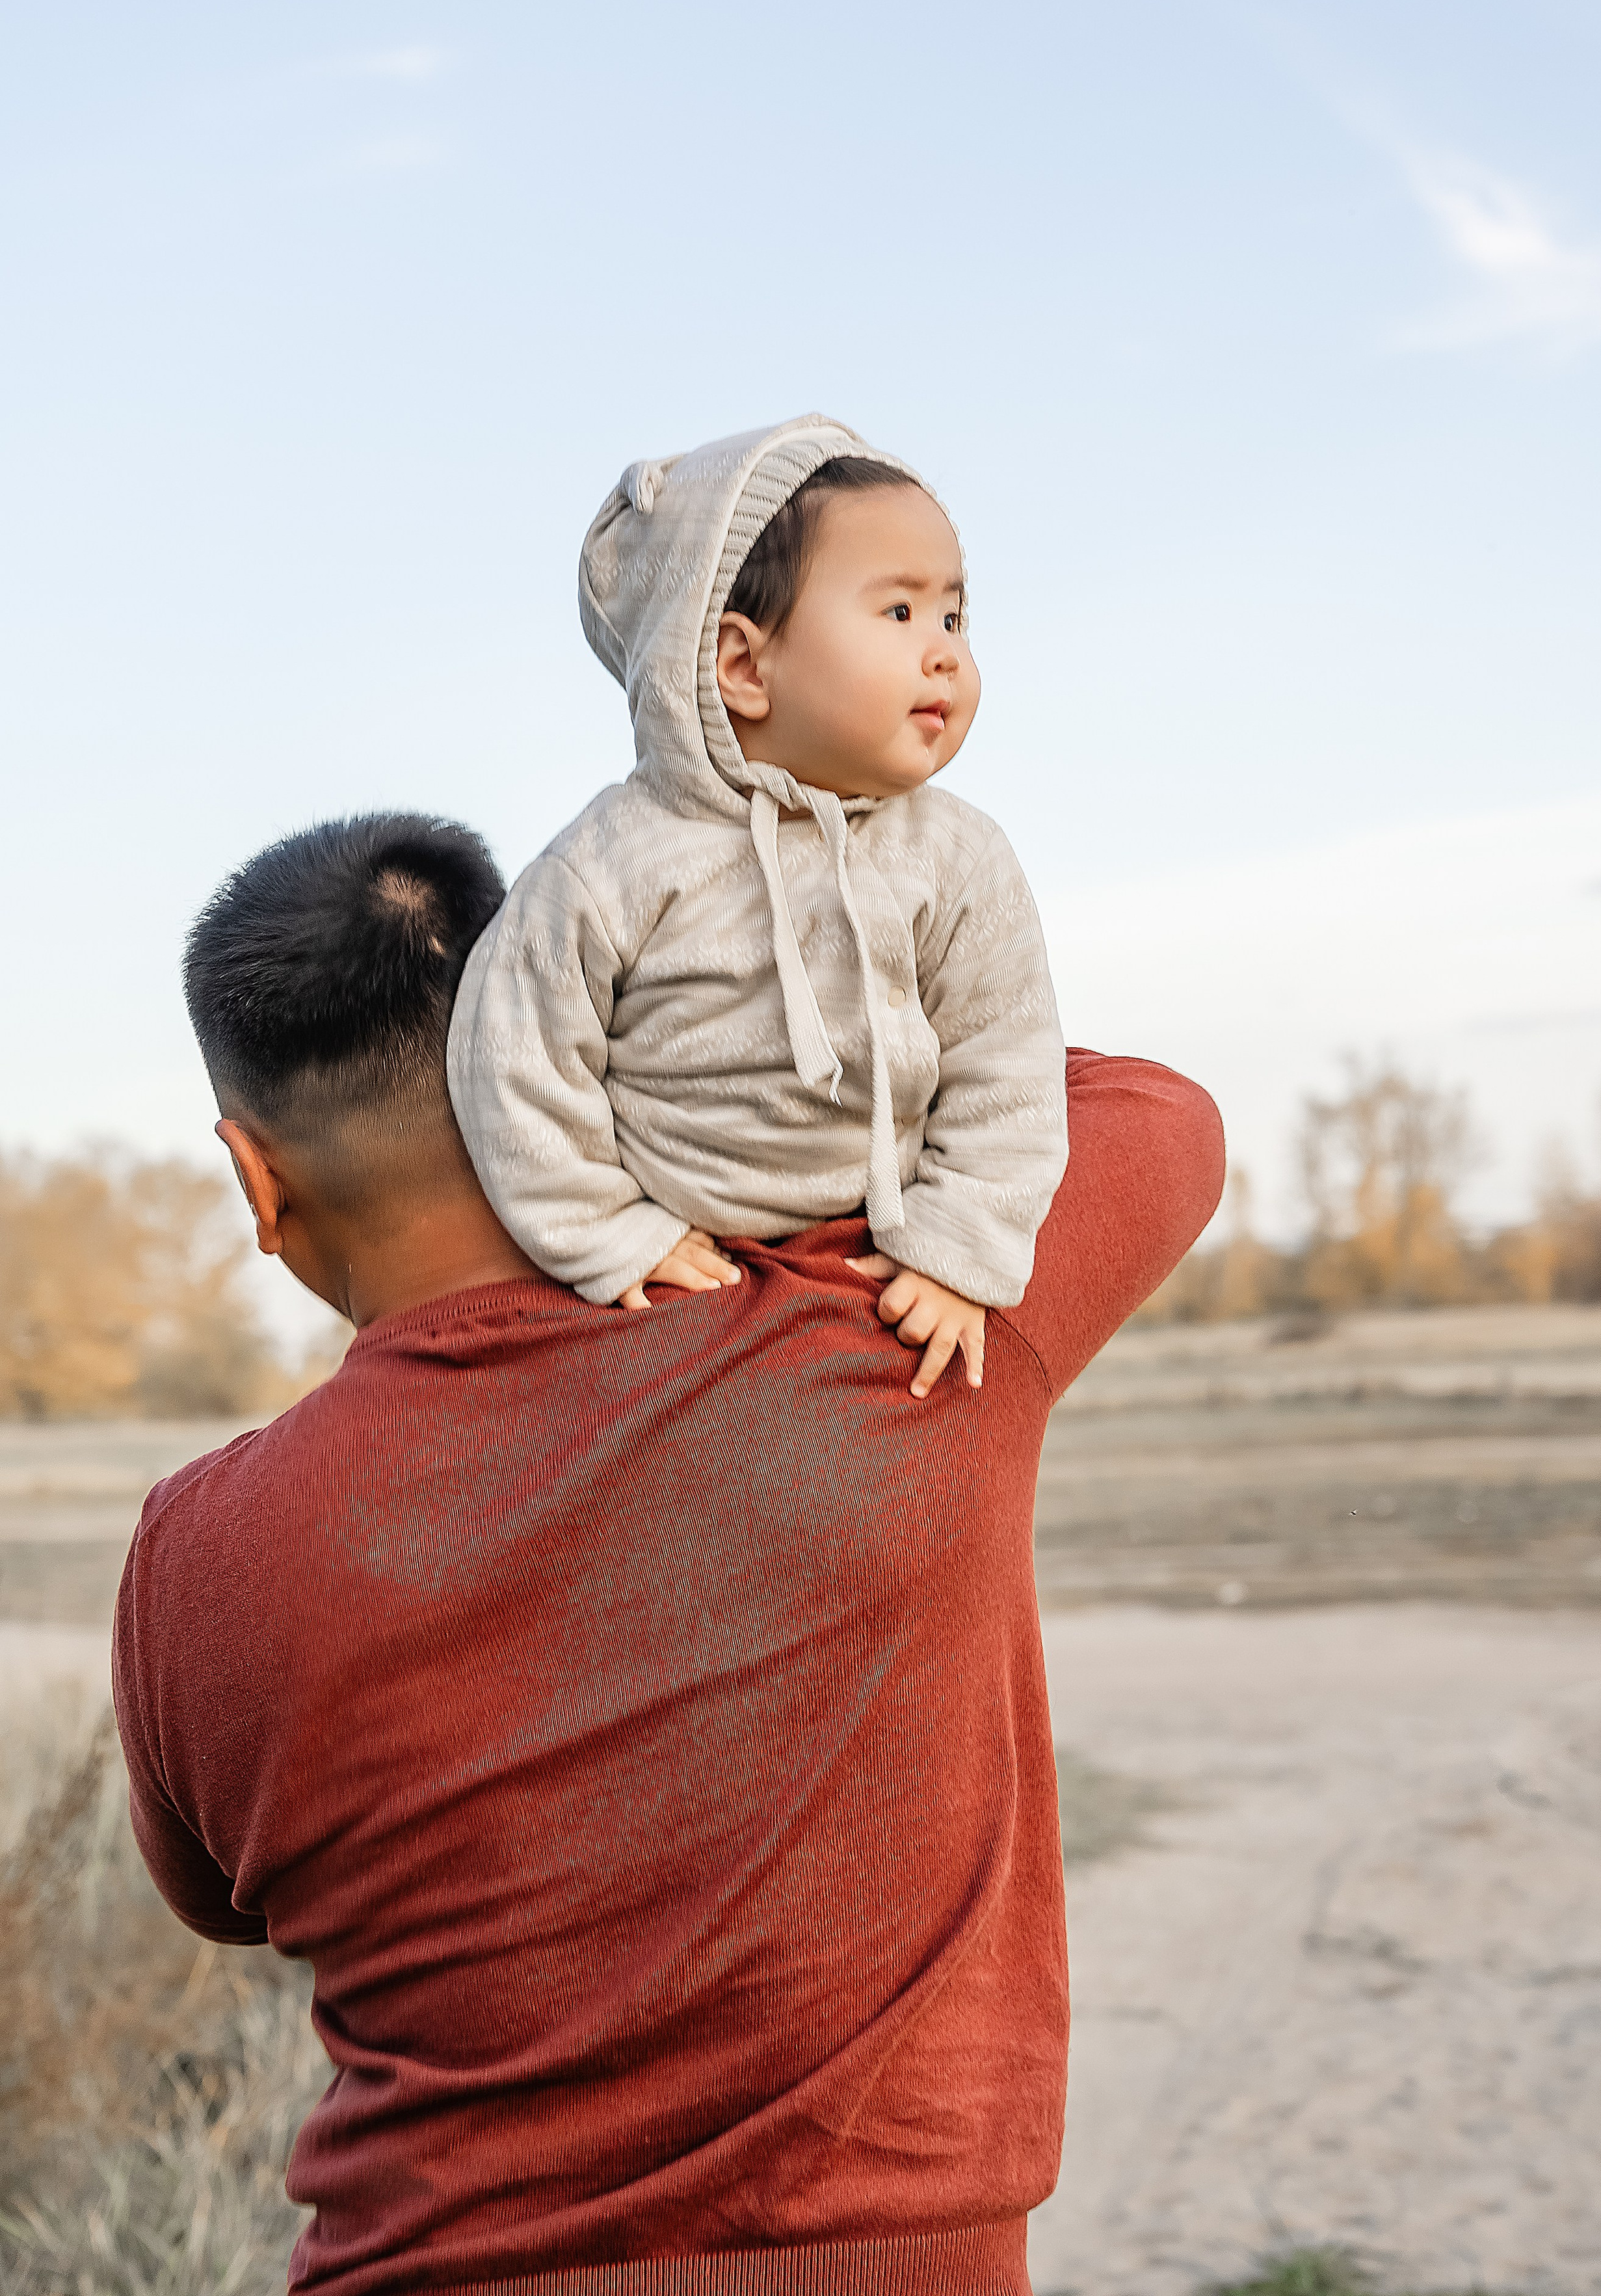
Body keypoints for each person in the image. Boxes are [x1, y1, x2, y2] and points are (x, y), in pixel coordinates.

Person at [114, 808, 1224, 2296]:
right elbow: (1156, 1117)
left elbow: (215, 1901)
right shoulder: (874, 1334)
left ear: (257, 1183)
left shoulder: (195, 1558)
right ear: (590, 1052)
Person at [448, 416, 1068, 1400]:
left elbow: (1009, 1066)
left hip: (881, 1243)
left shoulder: (956, 855)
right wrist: (610, 1234)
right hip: (684, 1258)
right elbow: (515, 1061)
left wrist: (959, 1249)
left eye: (955, 617)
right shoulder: (613, 862)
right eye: (899, 615)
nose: (945, 653)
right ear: (741, 667)